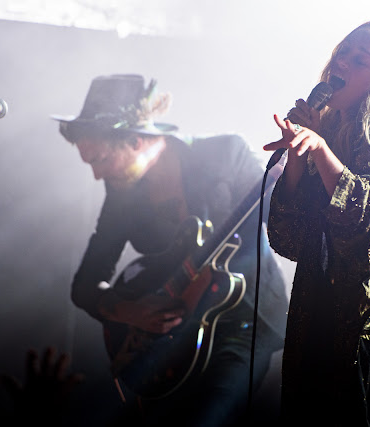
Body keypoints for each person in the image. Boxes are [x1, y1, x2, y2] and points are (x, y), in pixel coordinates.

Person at [52, 74, 289, 426]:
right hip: (168, 342)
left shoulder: (225, 154)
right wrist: (129, 311)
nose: (97, 176)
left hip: (240, 322)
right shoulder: (122, 194)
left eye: (100, 159)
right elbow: (85, 284)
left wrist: (293, 176)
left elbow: (281, 219)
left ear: (134, 141)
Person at [263, 21, 370, 426]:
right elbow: (291, 238)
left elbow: (368, 224)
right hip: (321, 342)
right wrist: (300, 151)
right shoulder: (336, 133)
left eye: (359, 59)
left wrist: (320, 149)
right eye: (342, 52)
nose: (341, 61)